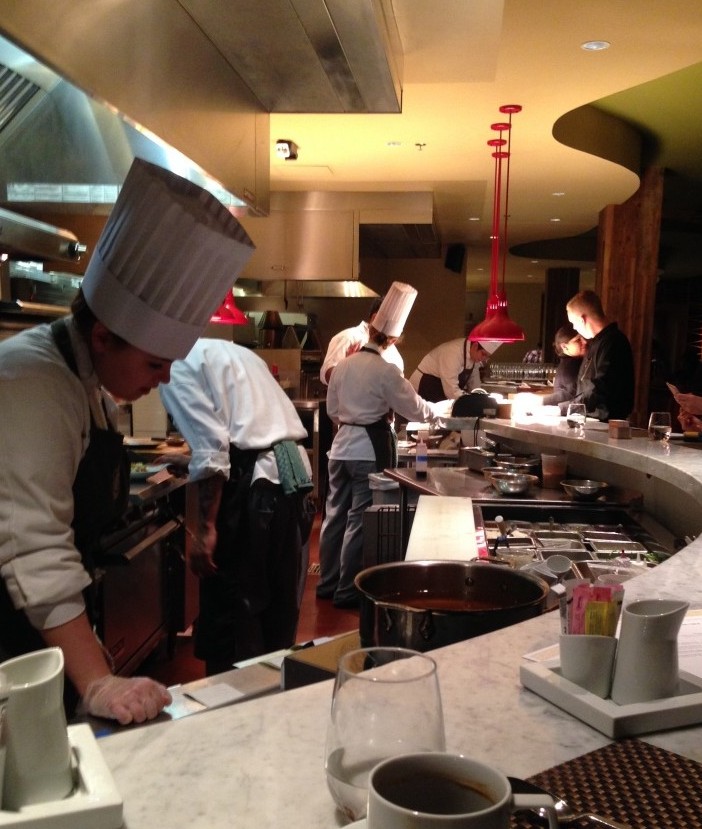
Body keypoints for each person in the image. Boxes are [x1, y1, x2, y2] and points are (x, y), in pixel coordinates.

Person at [0, 158, 254, 724]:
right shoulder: (34, 383)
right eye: (155, 362)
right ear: (102, 336)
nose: (163, 378)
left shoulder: (85, 381)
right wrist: (98, 682)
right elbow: (35, 548)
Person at [159, 340, 314, 675]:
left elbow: (214, 451)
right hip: (291, 479)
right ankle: (272, 702)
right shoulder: (229, 351)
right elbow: (247, 431)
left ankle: (233, 712)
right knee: (277, 611)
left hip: (257, 492)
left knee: (235, 620)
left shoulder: (172, 364)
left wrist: (205, 531)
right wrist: (192, 461)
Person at [316, 282, 450, 608]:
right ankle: (347, 591)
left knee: (334, 515)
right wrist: (444, 412)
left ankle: (327, 583)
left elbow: (332, 410)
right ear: (391, 338)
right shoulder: (386, 370)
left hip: (340, 448)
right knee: (358, 521)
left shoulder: (344, 366)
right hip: (366, 450)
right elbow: (416, 409)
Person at [563, 289, 635, 422]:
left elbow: (599, 389)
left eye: (573, 323)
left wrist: (563, 408)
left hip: (607, 425)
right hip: (592, 421)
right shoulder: (597, 342)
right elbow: (582, 389)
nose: (574, 328)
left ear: (582, 319)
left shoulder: (614, 342)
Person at [320, 297, 404, 384]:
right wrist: (348, 366)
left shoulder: (396, 357)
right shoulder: (349, 337)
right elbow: (326, 374)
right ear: (374, 318)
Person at [408, 338, 500, 402]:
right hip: (423, 390)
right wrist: (471, 402)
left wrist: (481, 398)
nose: (484, 359)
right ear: (475, 346)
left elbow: (475, 385)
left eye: (487, 356)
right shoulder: (452, 352)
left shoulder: (474, 358)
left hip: (439, 395)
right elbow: (451, 391)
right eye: (483, 354)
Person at [541, 325, 586, 406]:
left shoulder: (567, 363)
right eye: (578, 340)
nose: (584, 342)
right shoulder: (572, 364)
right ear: (564, 346)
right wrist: (541, 401)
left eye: (584, 338)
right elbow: (571, 395)